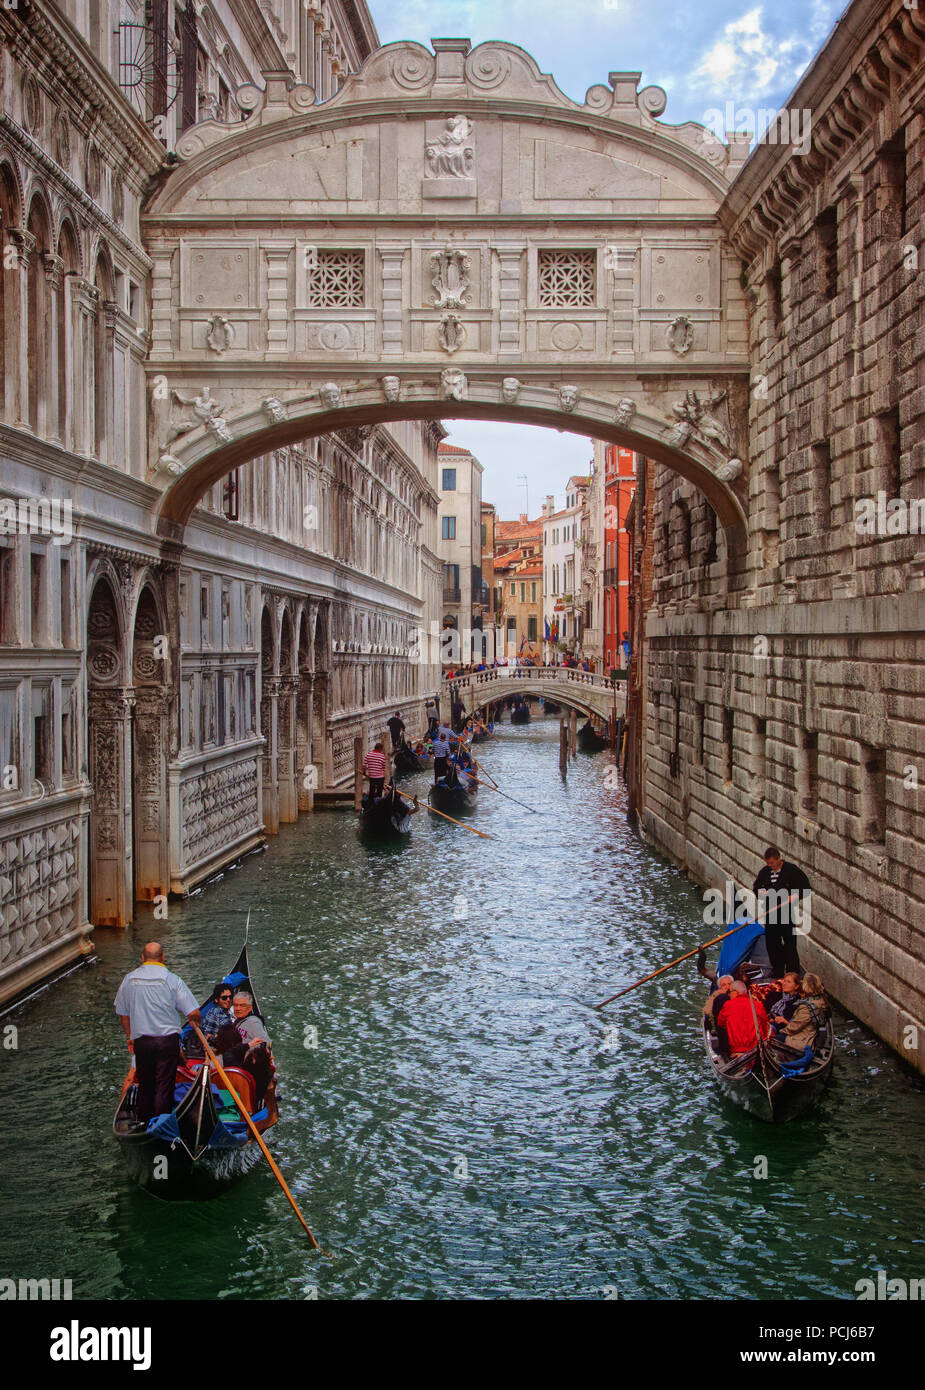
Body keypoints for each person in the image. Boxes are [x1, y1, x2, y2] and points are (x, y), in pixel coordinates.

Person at [114, 942, 201, 1125]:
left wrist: (129, 1037)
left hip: (142, 1042)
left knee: (146, 1084)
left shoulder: (129, 980)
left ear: (143, 958)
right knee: (164, 1084)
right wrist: (196, 1022)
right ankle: (160, 1124)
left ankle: (143, 1122)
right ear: (163, 958)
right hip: (166, 1042)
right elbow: (193, 1013)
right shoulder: (173, 980)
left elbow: (123, 1014)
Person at [753, 846, 810, 977]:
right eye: (768, 863)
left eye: (772, 863)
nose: (770, 865)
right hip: (770, 913)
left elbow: (805, 888)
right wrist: (761, 893)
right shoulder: (765, 872)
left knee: (790, 943)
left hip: (786, 913)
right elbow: (756, 887)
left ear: (779, 858)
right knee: (772, 943)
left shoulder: (791, 870)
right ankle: (777, 970)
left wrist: (794, 896)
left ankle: (792, 972)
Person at [218, 991, 273, 1106]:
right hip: (234, 1059)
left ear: (250, 1008)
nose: (237, 1008)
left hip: (244, 1066)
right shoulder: (238, 1021)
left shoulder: (253, 1022)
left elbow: (266, 1042)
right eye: (235, 1005)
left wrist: (256, 1055)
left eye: (241, 1005)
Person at [771, 973, 830, 1058]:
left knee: (770, 1039)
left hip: (802, 1040)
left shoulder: (806, 1007)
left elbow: (793, 1028)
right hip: (807, 1033)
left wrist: (778, 1031)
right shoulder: (821, 1000)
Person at [716, 981, 772, 1055]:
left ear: (736, 992)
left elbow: (720, 1023)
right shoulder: (758, 1005)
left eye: (730, 991)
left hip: (737, 1051)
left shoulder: (728, 1005)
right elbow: (766, 1026)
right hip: (756, 1049)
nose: (728, 994)